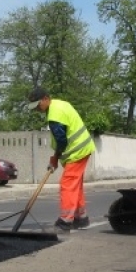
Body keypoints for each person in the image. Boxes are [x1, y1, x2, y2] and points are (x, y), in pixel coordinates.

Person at [27, 87, 96, 233]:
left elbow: (62, 141)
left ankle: (65, 221)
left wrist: (55, 158)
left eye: (38, 105)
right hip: (83, 148)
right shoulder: (60, 104)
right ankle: (81, 218)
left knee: (67, 184)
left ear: (46, 98)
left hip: (77, 151)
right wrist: (55, 158)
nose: (37, 109)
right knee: (75, 185)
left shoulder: (54, 116)